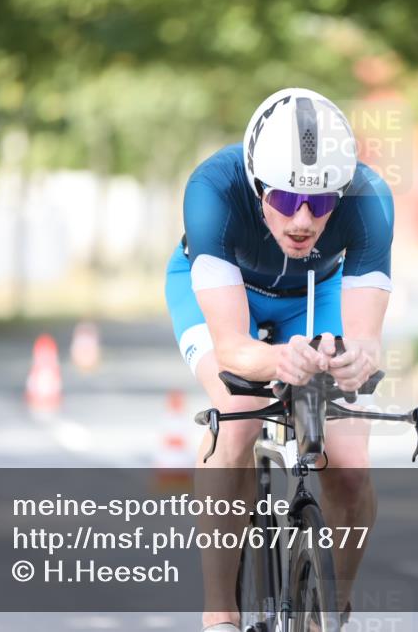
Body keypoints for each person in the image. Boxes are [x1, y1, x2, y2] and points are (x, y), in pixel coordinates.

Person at [164, 87, 394, 631]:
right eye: (286, 200)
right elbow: (233, 349)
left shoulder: (370, 199)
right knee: (237, 424)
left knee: (351, 466)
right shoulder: (212, 190)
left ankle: (331, 613)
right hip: (229, 296)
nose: (304, 220)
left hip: (317, 294)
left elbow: (367, 340)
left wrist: (356, 361)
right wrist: (276, 364)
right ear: (256, 182)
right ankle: (219, 610)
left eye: (321, 203)